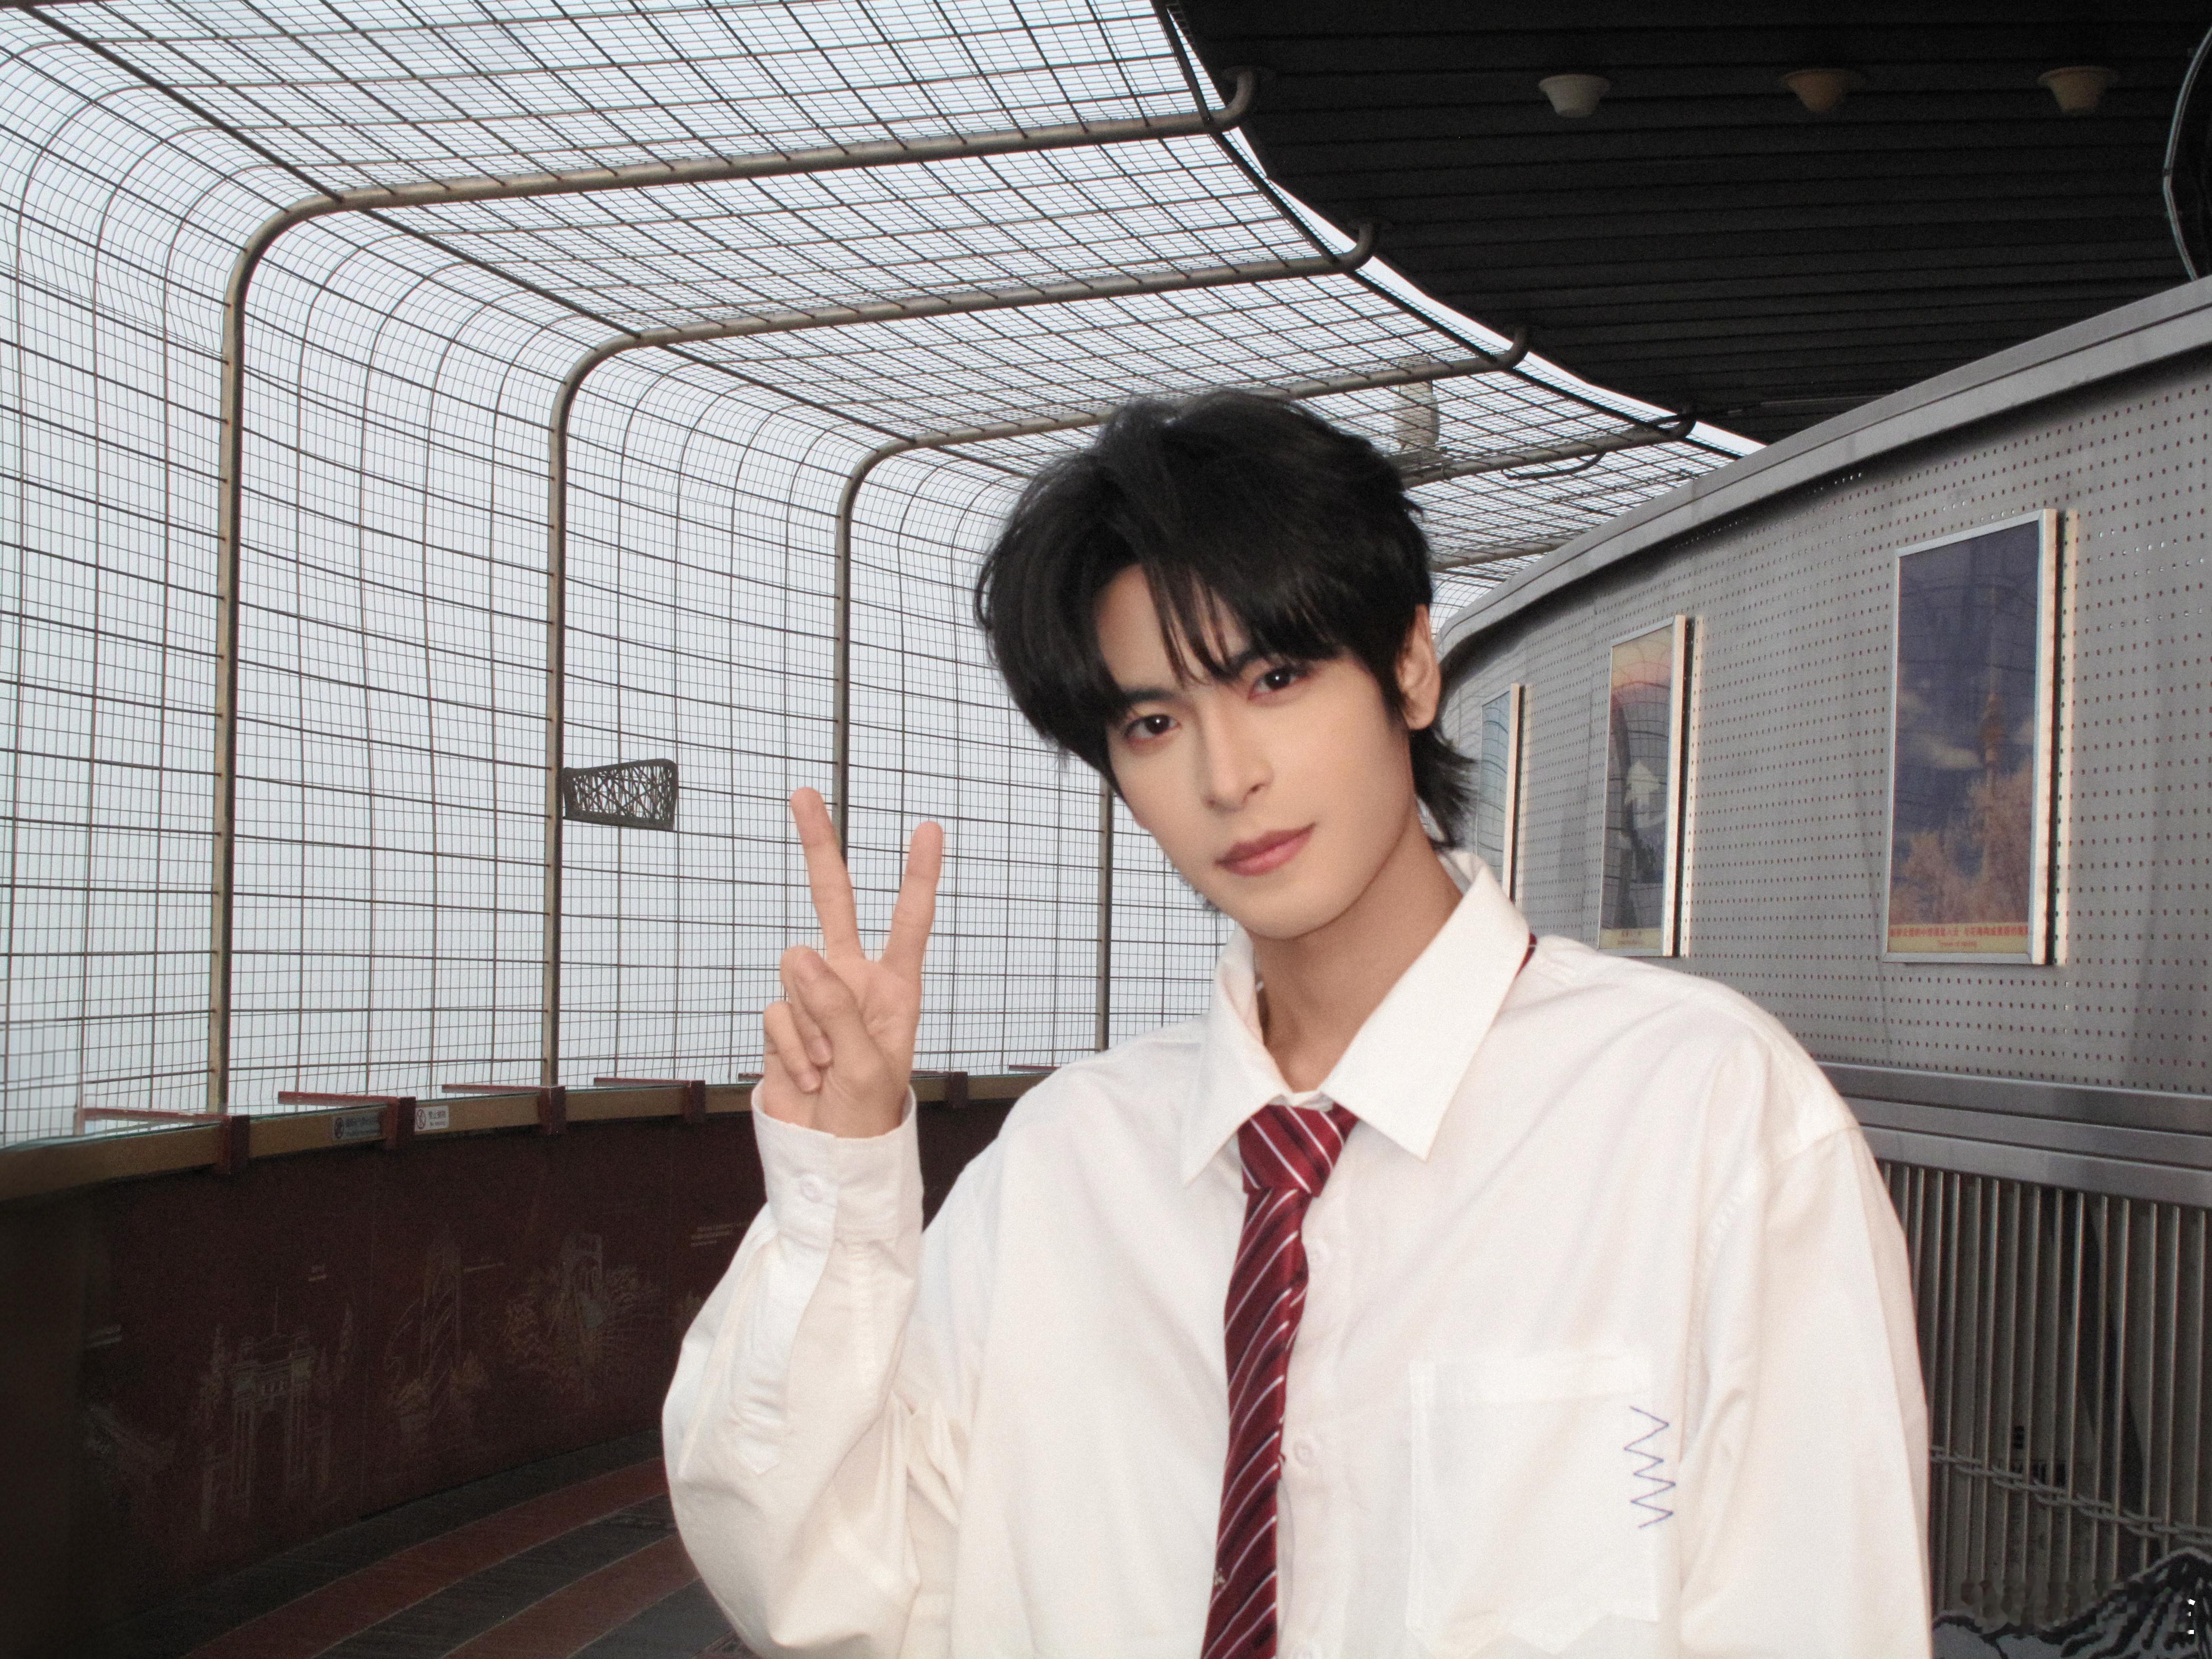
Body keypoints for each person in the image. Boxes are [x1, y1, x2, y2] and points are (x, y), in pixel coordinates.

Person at [664, 392, 1931, 1658]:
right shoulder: (1064, 1170)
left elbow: (1824, 1613)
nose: (1228, 777)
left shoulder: (1702, 1113)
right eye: (1154, 723)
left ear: (1411, 666)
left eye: (1276, 678)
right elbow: (830, 1590)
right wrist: (840, 1183)